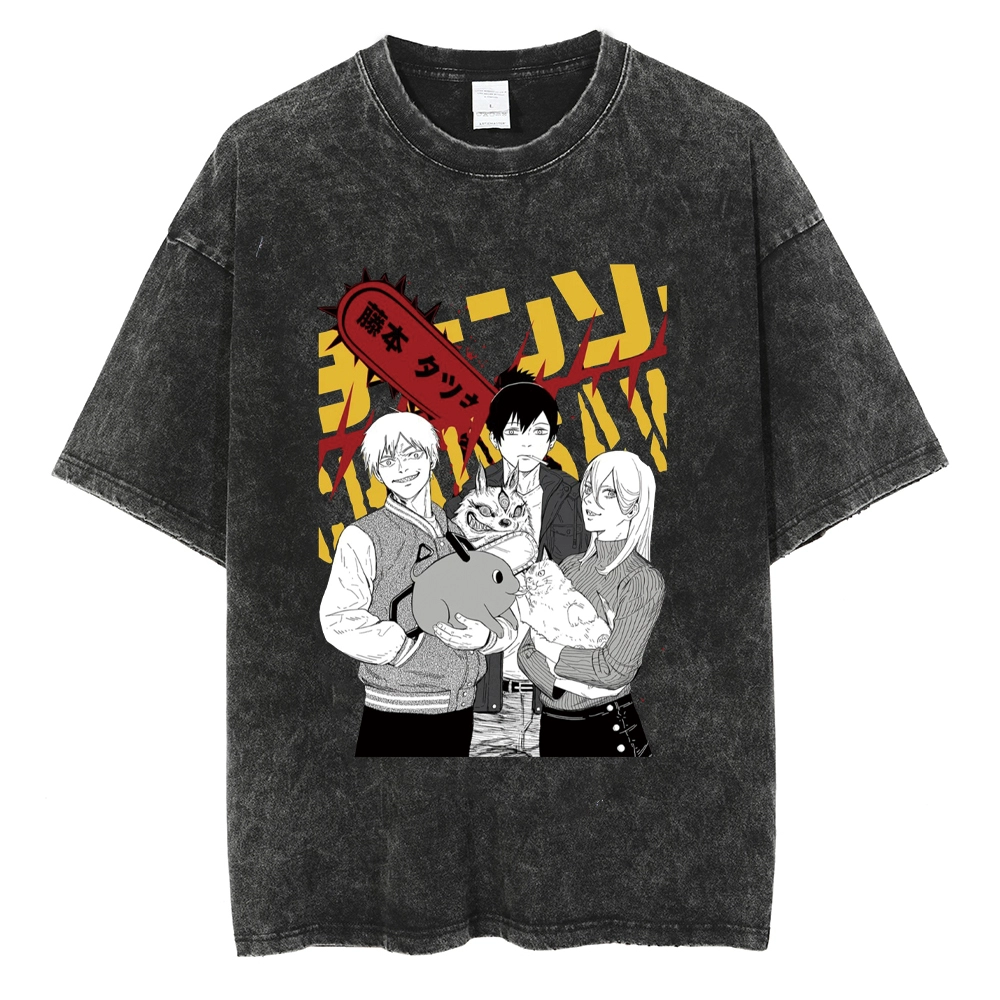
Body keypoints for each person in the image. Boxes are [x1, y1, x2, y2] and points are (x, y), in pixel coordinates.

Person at [319, 411, 515, 756]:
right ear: (377, 472)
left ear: (431, 457)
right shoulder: (363, 536)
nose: (403, 468)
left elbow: (499, 606)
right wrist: (403, 648)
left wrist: (486, 636)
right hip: (395, 712)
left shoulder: (457, 535)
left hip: (460, 709)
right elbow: (337, 619)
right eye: (388, 461)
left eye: (412, 454)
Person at [444, 367, 589, 756]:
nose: (527, 443)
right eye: (514, 432)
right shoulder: (467, 499)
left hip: (555, 687)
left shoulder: (571, 496)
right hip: (490, 684)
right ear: (494, 438)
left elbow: (580, 578)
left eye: (539, 432)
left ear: (553, 439)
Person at [517, 451, 665, 756]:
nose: (590, 501)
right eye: (587, 490)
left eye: (607, 493)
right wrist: (565, 684)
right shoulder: (569, 567)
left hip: (606, 730)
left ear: (634, 506)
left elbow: (614, 670)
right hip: (552, 726)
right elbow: (527, 651)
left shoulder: (643, 579)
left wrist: (552, 651)